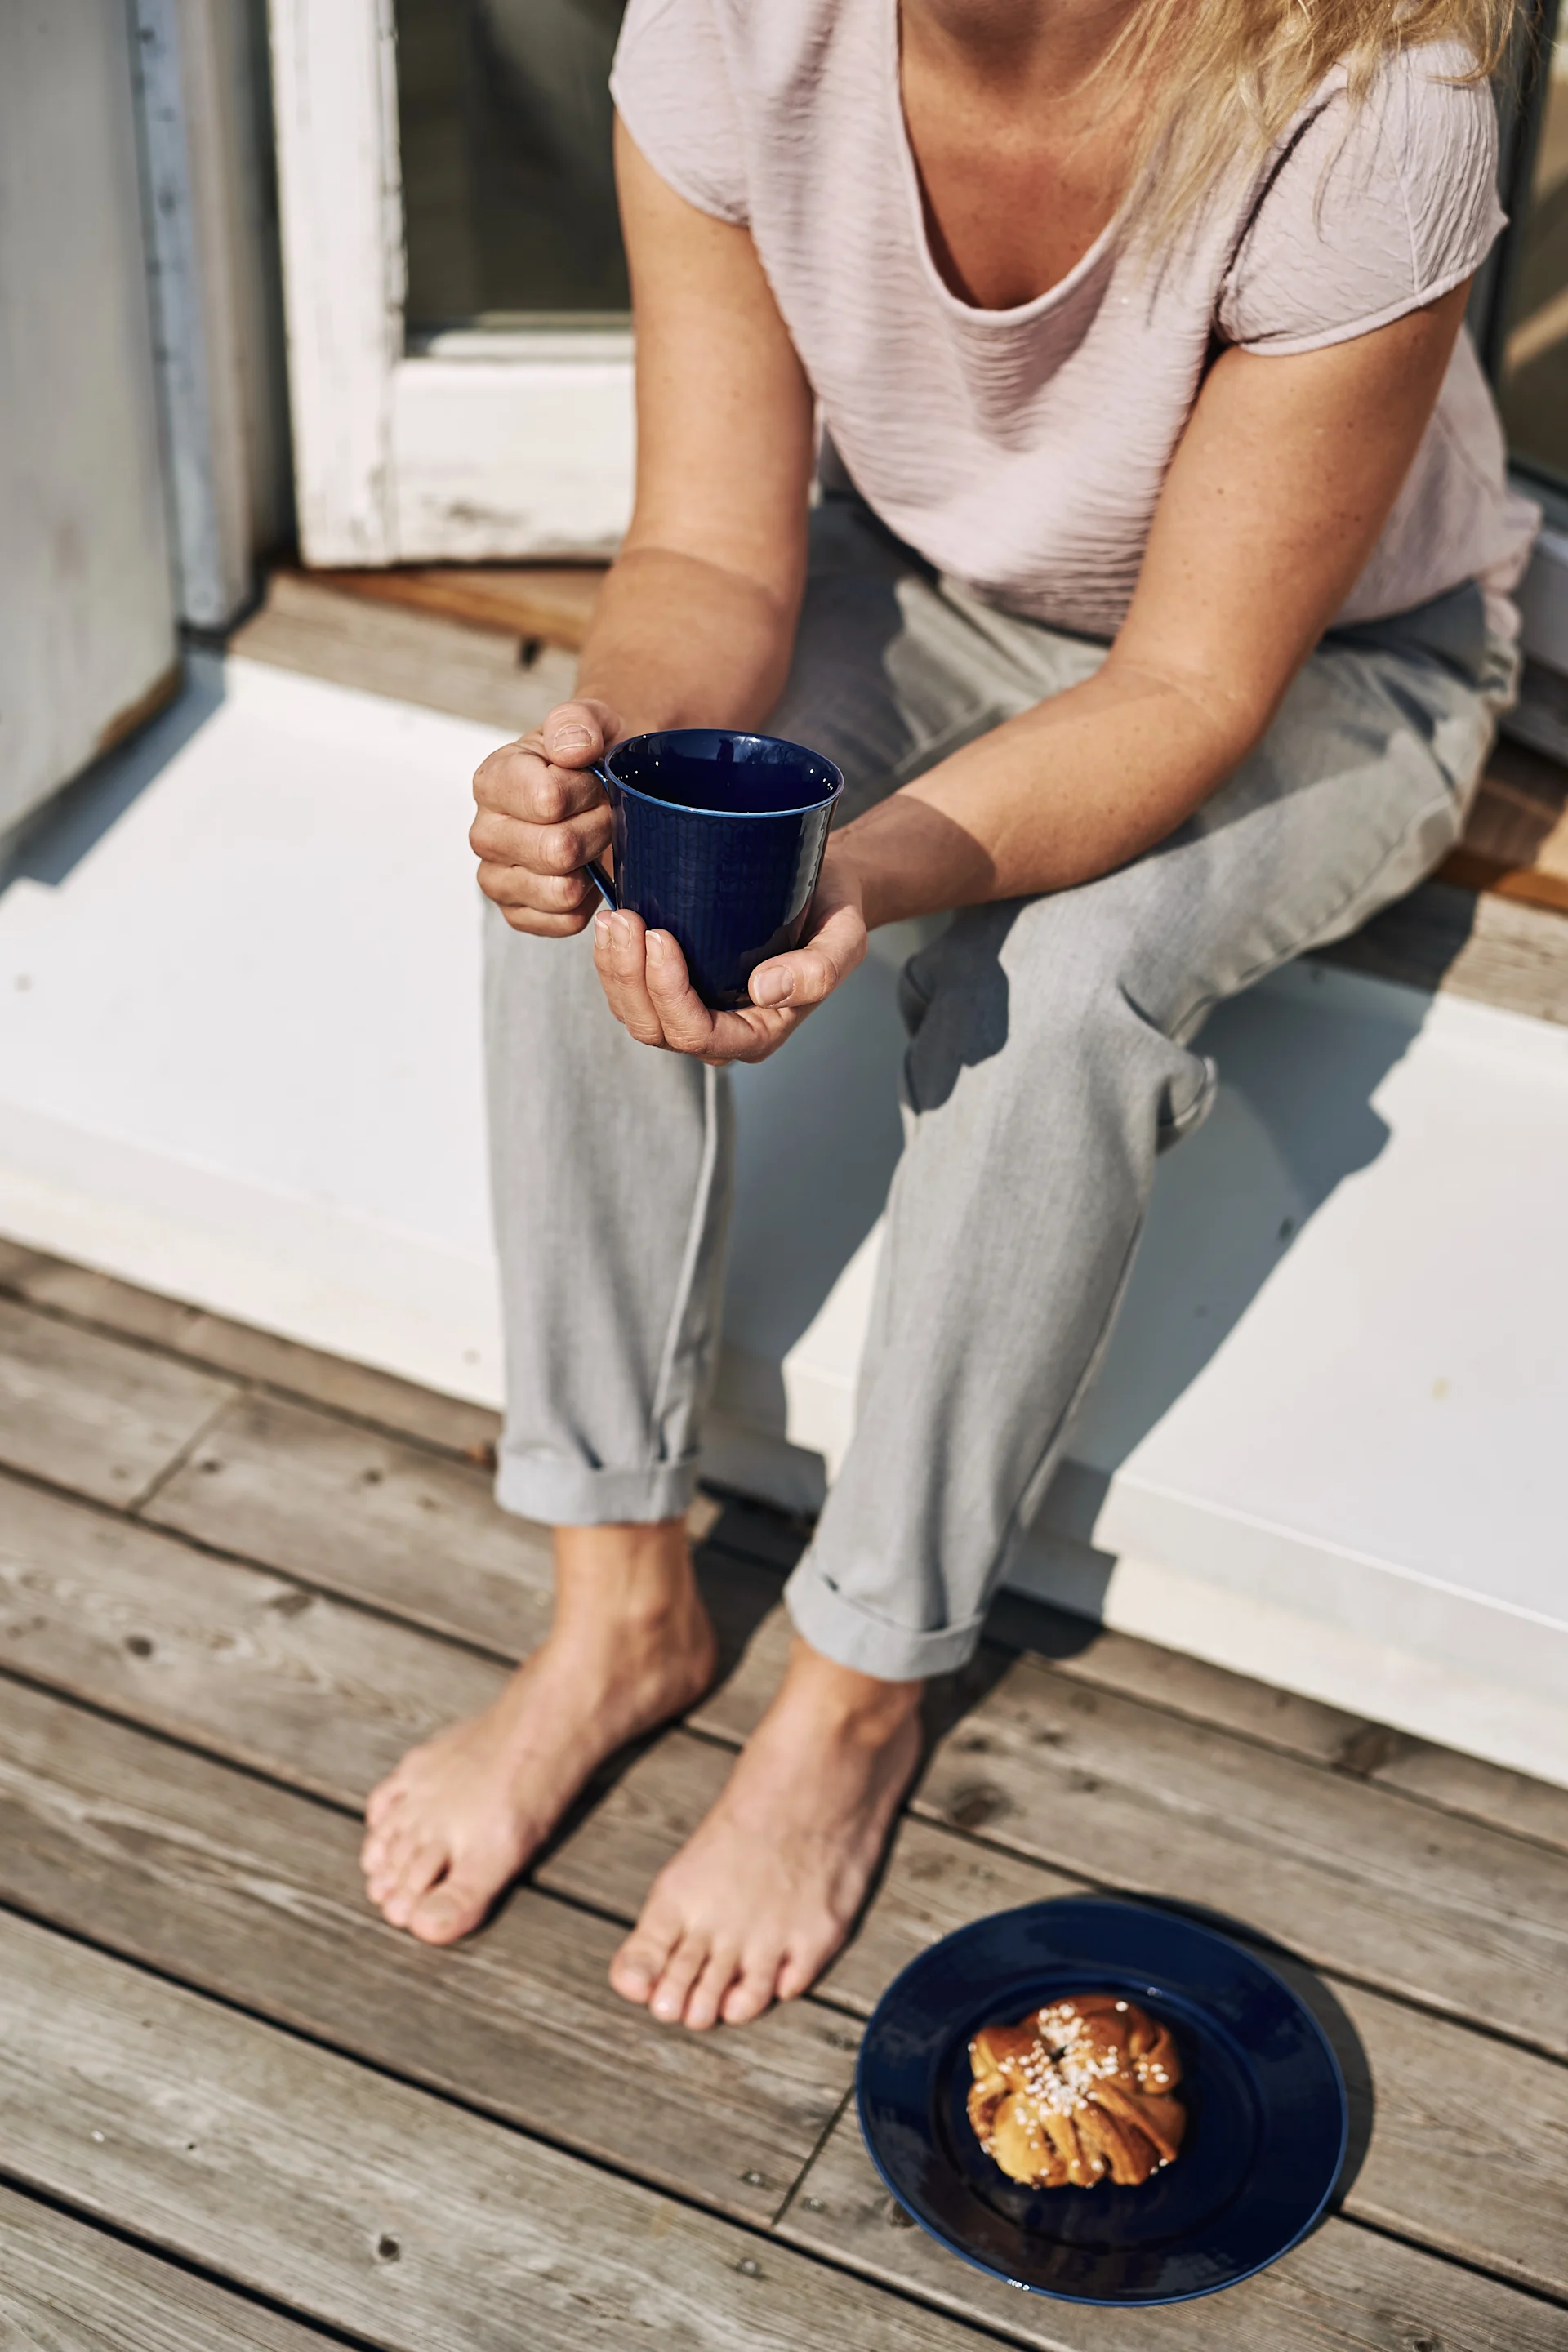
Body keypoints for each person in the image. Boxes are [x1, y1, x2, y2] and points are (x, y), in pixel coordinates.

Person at [360, 0, 1537, 2029]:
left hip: (1332, 661)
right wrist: (616, 763)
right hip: (918, 582)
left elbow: (1183, 692)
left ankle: (859, 1684)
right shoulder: (740, 25)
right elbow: (714, 545)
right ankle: (616, 1594)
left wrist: (874, 871)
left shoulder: (1374, 97)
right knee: (591, 843)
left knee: (1055, 990)